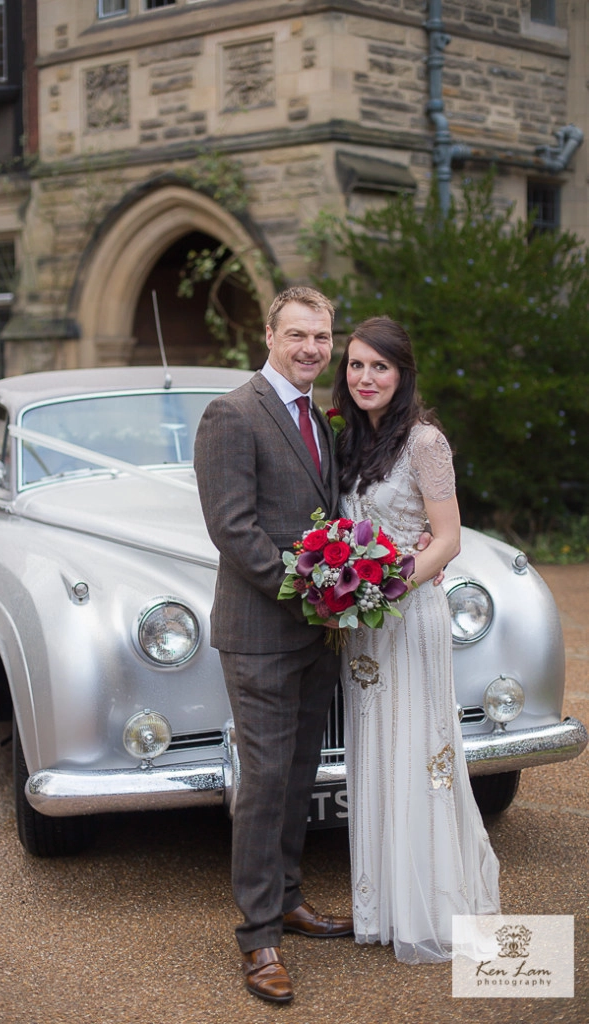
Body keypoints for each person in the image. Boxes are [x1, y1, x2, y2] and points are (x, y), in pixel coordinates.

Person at [194, 287, 353, 1005]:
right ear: (269, 334)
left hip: (315, 634)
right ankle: (258, 938)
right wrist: (307, 591)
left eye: (321, 337)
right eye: (298, 335)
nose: (311, 349)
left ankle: (289, 897)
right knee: (261, 783)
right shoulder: (231, 413)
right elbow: (233, 530)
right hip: (260, 631)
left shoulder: (319, 415)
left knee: (297, 773)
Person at [332, 316, 500, 964]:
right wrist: (348, 591)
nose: (366, 378)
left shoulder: (425, 441)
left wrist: (385, 587)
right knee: (376, 752)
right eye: (356, 366)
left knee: (420, 751)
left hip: (408, 616)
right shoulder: (349, 441)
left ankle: (430, 906)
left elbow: (449, 538)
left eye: (380, 367)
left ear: (401, 376)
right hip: (363, 630)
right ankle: (384, 907)